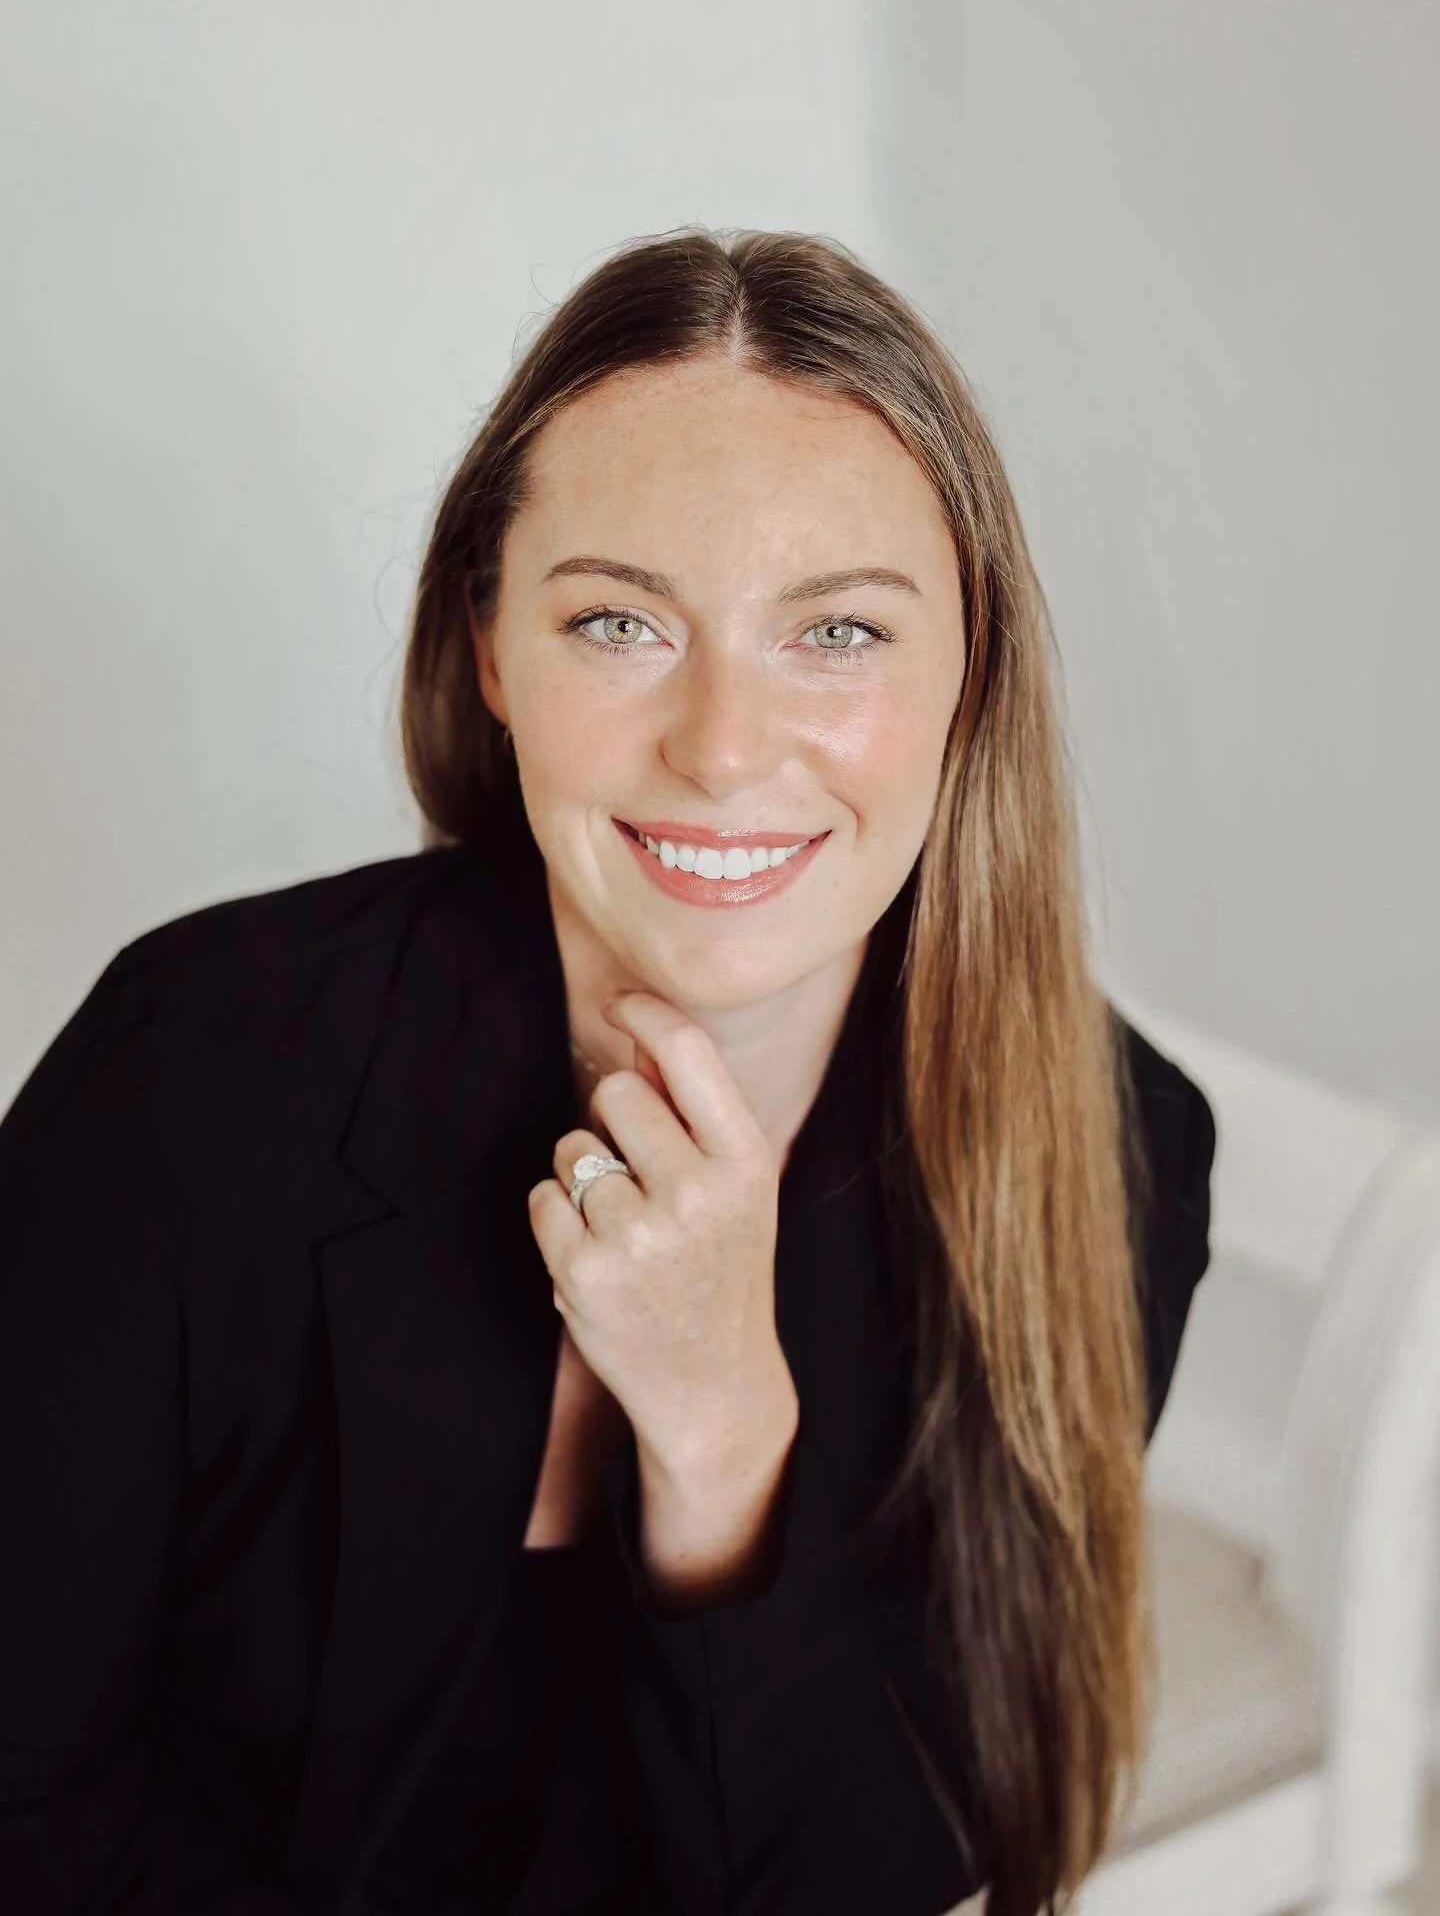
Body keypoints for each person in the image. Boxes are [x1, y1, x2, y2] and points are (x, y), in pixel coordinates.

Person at [0, 227, 1217, 1916]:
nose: (722, 747)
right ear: (493, 649)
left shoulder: (1113, 1144)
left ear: (972, 670)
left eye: (839, 633)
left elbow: (897, 1861)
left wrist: (723, 1428)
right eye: (621, 621)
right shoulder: (188, 1081)